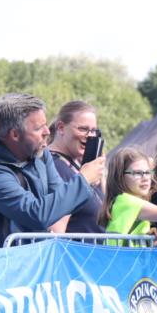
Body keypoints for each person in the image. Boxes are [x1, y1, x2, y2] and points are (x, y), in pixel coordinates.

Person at [0, 93, 102, 246]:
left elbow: (59, 197)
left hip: (32, 261)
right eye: (38, 128)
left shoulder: (40, 153)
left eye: (45, 124)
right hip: (3, 264)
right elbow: (37, 215)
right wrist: (84, 180)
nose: (47, 131)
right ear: (15, 134)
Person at [47, 100, 106, 234]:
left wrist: (100, 170)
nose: (90, 136)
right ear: (61, 128)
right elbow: (56, 228)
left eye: (93, 131)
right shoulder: (52, 166)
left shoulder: (78, 166)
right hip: (73, 254)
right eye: (83, 129)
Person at [99, 147, 156, 240]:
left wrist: (148, 235)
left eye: (148, 172)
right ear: (120, 177)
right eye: (137, 173)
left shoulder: (122, 200)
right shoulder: (128, 201)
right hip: (119, 255)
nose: (145, 178)